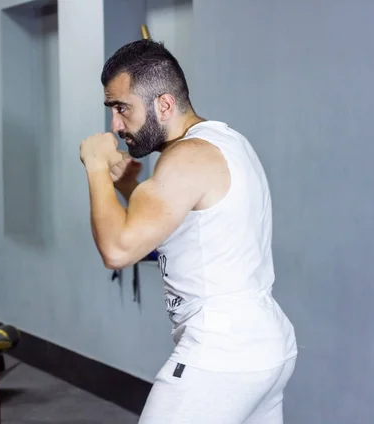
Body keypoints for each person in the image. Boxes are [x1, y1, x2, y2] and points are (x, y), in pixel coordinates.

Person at [79, 39, 298, 423]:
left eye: (121, 108)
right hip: (264, 348)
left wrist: (96, 166)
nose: (115, 124)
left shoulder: (186, 158)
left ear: (164, 104)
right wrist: (129, 188)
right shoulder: (226, 142)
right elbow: (184, 232)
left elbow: (117, 250)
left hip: (221, 356)